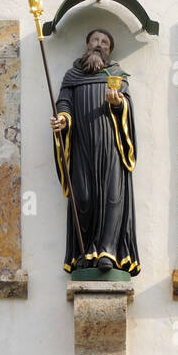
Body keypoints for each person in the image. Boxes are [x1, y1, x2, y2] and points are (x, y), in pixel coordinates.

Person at [50, 28, 140, 275]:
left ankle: (108, 251)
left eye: (105, 43)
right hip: (81, 147)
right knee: (84, 197)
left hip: (110, 147)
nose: (99, 45)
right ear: (87, 45)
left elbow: (128, 110)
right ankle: (85, 251)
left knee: (113, 198)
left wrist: (118, 104)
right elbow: (64, 103)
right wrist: (63, 120)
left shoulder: (117, 75)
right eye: (95, 41)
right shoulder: (72, 76)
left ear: (109, 51)